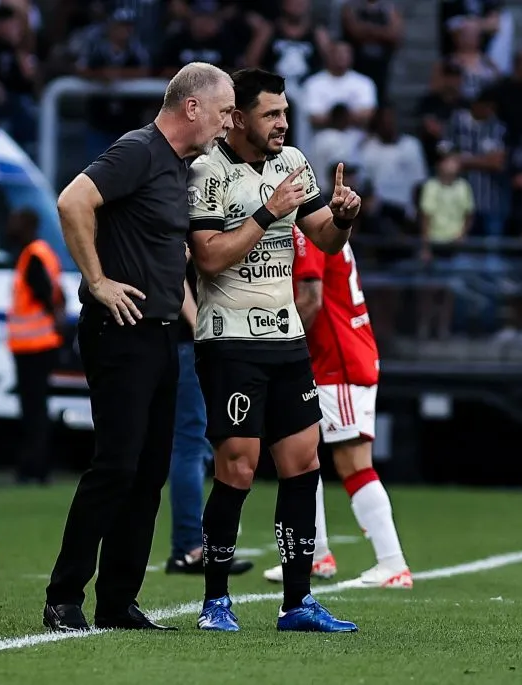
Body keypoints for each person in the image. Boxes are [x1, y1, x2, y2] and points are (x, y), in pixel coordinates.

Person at [43, 62, 236, 632]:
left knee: (150, 471)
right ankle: (63, 596)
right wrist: (97, 281)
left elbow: (166, 259)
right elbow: (72, 202)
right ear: (192, 107)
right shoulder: (139, 149)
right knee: (116, 465)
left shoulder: (179, 166)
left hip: (157, 334)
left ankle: (118, 600)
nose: (228, 122)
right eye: (224, 110)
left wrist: (195, 321)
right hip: (118, 331)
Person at [188, 68, 361, 633]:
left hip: (287, 338)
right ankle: (216, 601)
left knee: (303, 461)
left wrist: (342, 217)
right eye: (272, 114)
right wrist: (266, 213)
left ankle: (297, 602)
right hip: (230, 339)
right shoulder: (208, 170)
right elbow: (208, 259)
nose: (284, 123)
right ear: (237, 118)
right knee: (237, 467)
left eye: (285, 112)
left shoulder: (293, 164)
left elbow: (324, 238)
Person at [260, 226, 413, 588]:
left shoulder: (305, 230)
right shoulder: (321, 226)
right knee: (300, 452)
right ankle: (314, 555)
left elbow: (310, 299)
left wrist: (275, 346)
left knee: (353, 463)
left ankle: (392, 564)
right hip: (334, 357)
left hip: (338, 361)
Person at [165, 254, 254, 576]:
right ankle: (190, 546)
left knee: (191, 443)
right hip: (190, 343)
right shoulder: (191, 211)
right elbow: (175, 274)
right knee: (191, 443)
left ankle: (188, 545)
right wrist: (200, 324)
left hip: (190, 342)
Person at [6, 207, 65, 485]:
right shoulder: (41, 252)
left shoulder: (32, 256)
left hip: (34, 345)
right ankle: (35, 467)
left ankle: (34, 468)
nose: (10, 225)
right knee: (37, 408)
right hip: (39, 343)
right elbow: (58, 294)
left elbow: (44, 293)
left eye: (15, 220)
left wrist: (53, 319)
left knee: (34, 410)